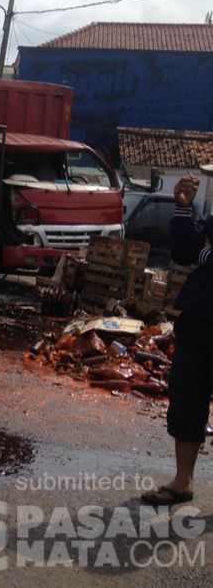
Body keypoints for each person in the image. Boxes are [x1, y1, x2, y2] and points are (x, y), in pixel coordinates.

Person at [142, 174, 212, 507]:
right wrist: (183, 209)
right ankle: (182, 482)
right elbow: (185, 253)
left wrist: (206, 257)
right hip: (198, 320)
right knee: (186, 401)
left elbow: (200, 256)